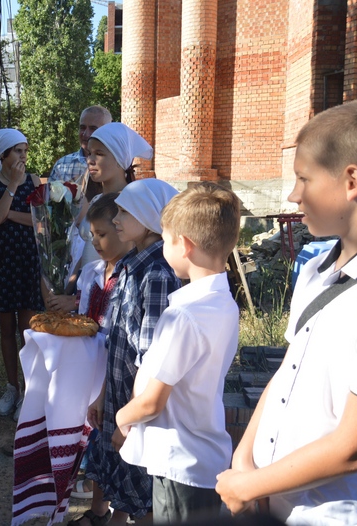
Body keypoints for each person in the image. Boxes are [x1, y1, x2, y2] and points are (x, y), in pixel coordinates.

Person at [216, 99, 357, 524]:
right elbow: (287, 372)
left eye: (303, 178)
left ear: (351, 181)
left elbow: (355, 447)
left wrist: (251, 485)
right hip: (277, 500)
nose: (292, 195)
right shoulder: (313, 270)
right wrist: (245, 458)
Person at [112, 183, 242, 523]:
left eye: (166, 239)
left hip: (178, 458)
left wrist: (121, 421)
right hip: (202, 451)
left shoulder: (185, 316)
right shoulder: (222, 304)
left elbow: (153, 401)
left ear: (183, 245)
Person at [73, 178, 180, 526]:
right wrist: (103, 397)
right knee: (118, 480)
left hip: (138, 407)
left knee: (141, 492)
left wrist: (130, 418)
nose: (116, 219)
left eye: (123, 212)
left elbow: (150, 359)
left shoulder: (158, 273)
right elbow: (117, 340)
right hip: (119, 397)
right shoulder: (130, 265)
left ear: (148, 217)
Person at [69, 192, 135, 499]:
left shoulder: (130, 274)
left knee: (108, 430)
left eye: (103, 234)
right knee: (89, 425)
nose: (96, 242)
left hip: (112, 366)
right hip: (87, 363)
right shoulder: (90, 272)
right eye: (92, 234)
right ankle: (92, 486)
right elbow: (83, 315)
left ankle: (107, 498)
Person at [0, 128, 43, 420]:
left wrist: (10, 215)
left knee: (27, 330)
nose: (23, 157)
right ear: (2, 155)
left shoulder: (36, 181)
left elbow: (39, 223)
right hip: (3, 261)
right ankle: (11, 387)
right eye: (17, 151)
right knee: (7, 329)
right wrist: (13, 188)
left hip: (27, 259)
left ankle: (29, 390)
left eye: (25, 151)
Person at [50, 122, 154, 308]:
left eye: (99, 154)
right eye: (90, 153)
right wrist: (69, 286)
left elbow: (123, 267)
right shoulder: (97, 199)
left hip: (108, 304)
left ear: (119, 159)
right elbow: (90, 252)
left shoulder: (130, 205)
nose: (90, 160)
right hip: (87, 296)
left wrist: (76, 301)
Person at [49, 106, 112, 196]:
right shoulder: (62, 166)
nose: (85, 133)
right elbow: (49, 204)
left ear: (107, 131)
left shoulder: (115, 166)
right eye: (82, 128)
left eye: (93, 128)